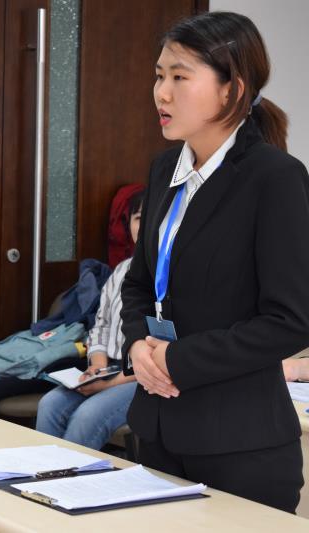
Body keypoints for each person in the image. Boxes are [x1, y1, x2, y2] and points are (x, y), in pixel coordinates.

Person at [120, 12, 309, 513]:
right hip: (157, 431)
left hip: (240, 446)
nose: (161, 93)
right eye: (159, 76)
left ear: (232, 89)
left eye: (180, 77)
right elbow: (139, 283)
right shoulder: (165, 169)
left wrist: (177, 361)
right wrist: (138, 345)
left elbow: (290, 320)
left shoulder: (275, 178)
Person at [36, 191, 143, 450]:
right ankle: (43, 473)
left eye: (154, 218)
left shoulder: (172, 275)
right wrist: (97, 368)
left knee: (87, 416)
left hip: (143, 380)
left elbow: (163, 354)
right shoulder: (122, 270)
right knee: (49, 405)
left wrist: (110, 383)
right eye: (139, 218)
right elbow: (101, 324)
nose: (144, 226)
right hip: (110, 369)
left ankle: (67, 477)